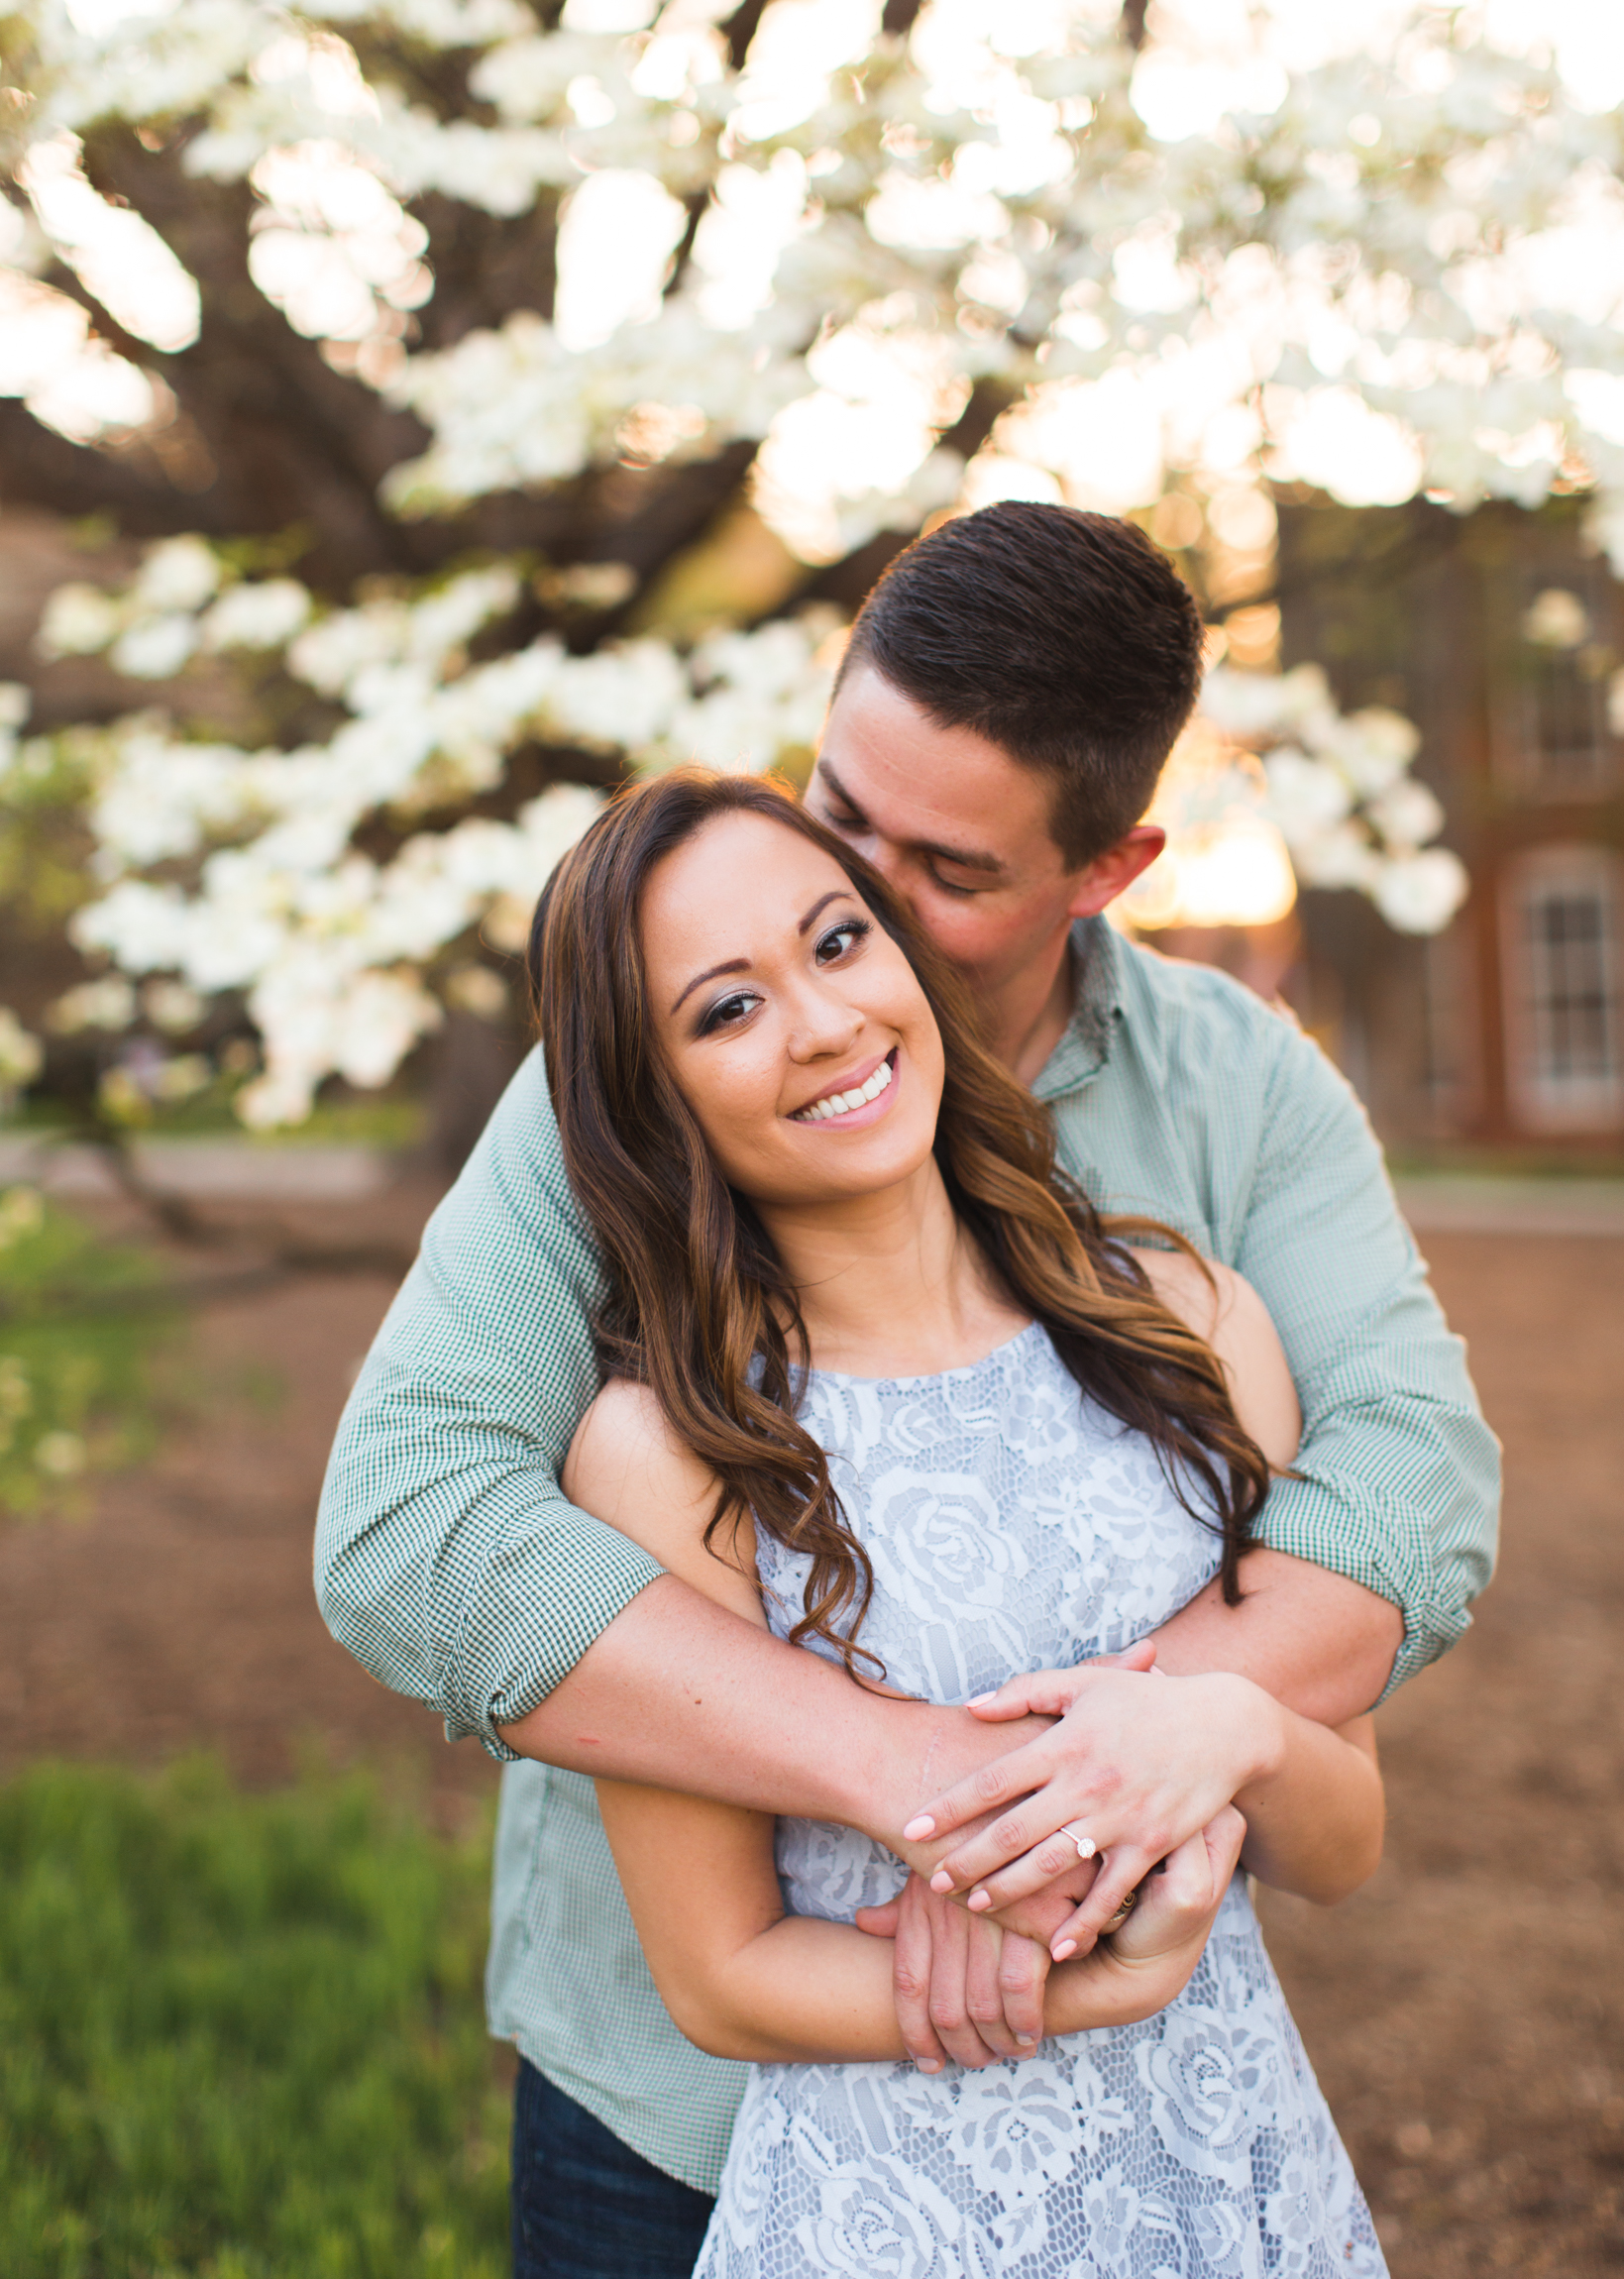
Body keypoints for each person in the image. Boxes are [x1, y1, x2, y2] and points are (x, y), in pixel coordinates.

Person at [314, 504, 1497, 2276]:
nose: (853, 892)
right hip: (689, 2124)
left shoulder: (1227, 1140)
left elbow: (1412, 1489)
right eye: (833, 803)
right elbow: (411, 1524)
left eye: (931, 870)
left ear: (1105, 870)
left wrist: (1148, 1760)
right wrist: (932, 1787)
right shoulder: (633, 1081)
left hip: (1162, 2137)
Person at [540, 764, 1388, 2275]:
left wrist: (1231, 1736)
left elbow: (1342, 1844)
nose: (822, 1023)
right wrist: (1096, 1978)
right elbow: (720, 1975)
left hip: (1230, 2180)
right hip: (895, 2214)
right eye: (724, 1010)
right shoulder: (664, 1451)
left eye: (837, 943)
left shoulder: (1192, 1321)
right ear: (650, 1095)